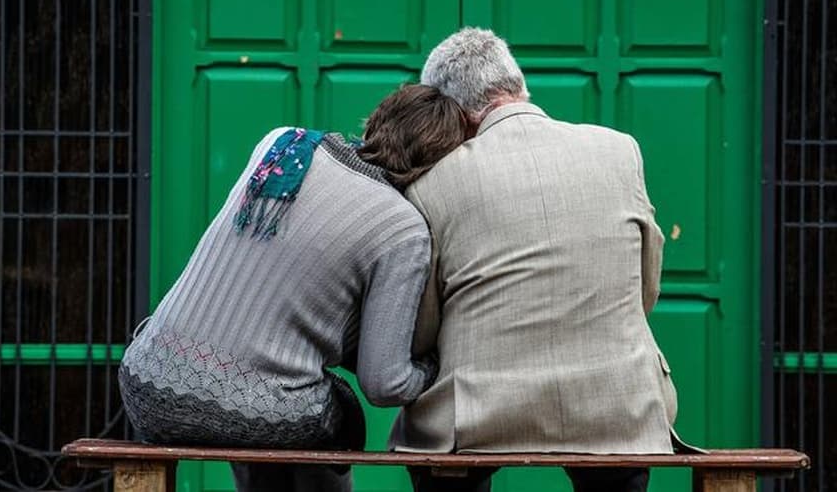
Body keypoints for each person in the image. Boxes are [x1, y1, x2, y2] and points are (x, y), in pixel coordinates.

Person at [118, 84, 468, 492]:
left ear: (376, 121)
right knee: (332, 415)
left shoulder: (283, 144)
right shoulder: (402, 228)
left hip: (145, 383)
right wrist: (430, 372)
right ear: (437, 166)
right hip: (247, 409)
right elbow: (383, 384)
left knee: (262, 398)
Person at [384, 28, 679, 492]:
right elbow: (645, 288)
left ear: (453, 113)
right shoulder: (619, 150)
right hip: (617, 403)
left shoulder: (431, 184)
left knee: (435, 459)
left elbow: (424, 326)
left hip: (479, 412)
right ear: (518, 83)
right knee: (621, 452)